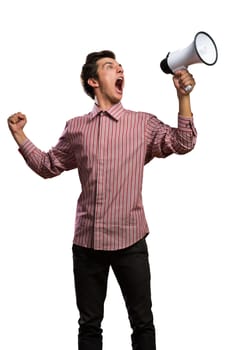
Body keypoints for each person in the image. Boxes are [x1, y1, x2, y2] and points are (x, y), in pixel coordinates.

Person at [8, 50, 197, 350]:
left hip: (130, 242)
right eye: (110, 67)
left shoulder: (143, 124)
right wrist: (19, 135)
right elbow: (48, 166)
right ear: (93, 81)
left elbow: (184, 142)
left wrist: (183, 97)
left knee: (142, 322)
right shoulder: (76, 128)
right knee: (89, 327)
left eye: (120, 66)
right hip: (87, 245)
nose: (120, 69)